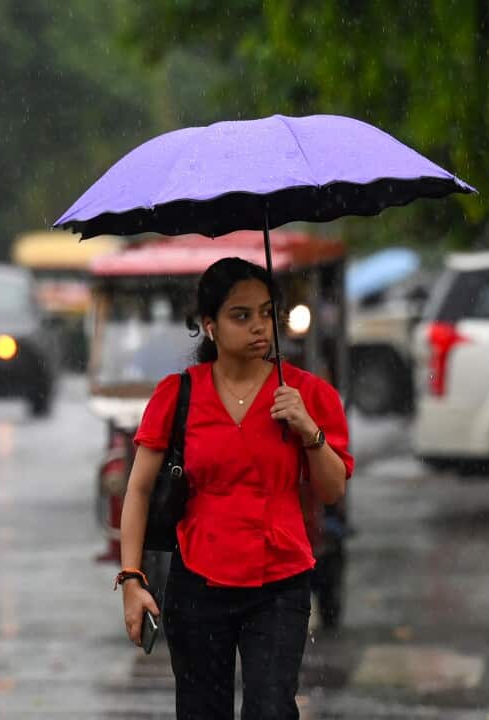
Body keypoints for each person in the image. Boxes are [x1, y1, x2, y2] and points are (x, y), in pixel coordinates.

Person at [115, 257, 353, 719]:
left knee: (271, 710)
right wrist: (131, 579)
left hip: (279, 583)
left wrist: (309, 430)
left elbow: (332, 491)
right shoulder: (178, 394)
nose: (259, 327)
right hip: (198, 582)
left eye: (266, 313)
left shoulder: (305, 393)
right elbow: (138, 491)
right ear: (210, 326)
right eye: (241, 316)